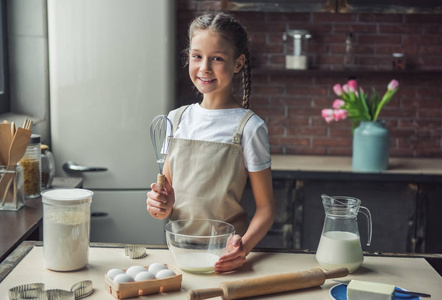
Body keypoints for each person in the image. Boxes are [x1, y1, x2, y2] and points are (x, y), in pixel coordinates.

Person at [146, 12, 276, 272]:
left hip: (223, 256)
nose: (204, 67)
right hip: (179, 252)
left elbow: (267, 210)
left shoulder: (249, 127)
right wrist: (159, 205)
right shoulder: (177, 119)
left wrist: (243, 249)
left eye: (217, 58)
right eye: (197, 56)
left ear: (238, 64)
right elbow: (169, 199)